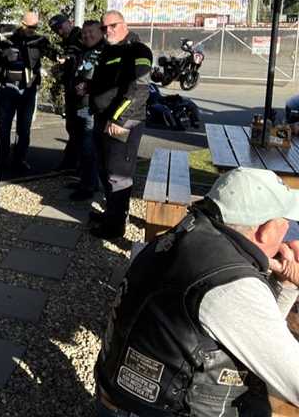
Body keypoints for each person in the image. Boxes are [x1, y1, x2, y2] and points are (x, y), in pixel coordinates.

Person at [95, 168, 299, 416]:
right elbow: (293, 378)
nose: (289, 236)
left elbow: (255, 337)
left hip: (120, 393)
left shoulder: (189, 233)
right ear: (265, 231)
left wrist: (285, 286)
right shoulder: (231, 286)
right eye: (286, 225)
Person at [85, 10, 152, 239]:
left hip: (123, 123)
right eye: (104, 28)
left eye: (112, 26)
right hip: (103, 120)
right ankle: (111, 215)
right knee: (105, 171)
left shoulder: (138, 50)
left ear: (124, 24)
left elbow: (139, 89)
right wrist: (88, 88)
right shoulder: (109, 50)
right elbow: (107, 82)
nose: (108, 31)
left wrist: (119, 119)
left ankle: (114, 228)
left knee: (118, 176)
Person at [0, 11, 52, 174]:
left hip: (28, 89)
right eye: (29, 27)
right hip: (8, 88)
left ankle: (20, 159)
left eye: (35, 27)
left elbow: (53, 55)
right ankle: (1, 160)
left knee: (24, 128)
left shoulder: (40, 40)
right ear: (22, 24)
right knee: (3, 127)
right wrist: (5, 56)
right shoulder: (6, 39)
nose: (32, 30)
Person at [68, 20, 105, 201]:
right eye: (84, 32)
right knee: (82, 146)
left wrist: (88, 86)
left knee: (89, 147)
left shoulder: (103, 51)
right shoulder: (85, 50)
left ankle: (88, 187)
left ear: (101, 32)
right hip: (80, 105)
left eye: (91, 32)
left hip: (91, 107)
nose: (87, 35)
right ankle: (86, 180)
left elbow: (103, 78)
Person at [48, 14, 84, 171]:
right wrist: (61, 69)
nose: (59, 30)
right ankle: (72, 163)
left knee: (80, 128)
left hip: (82, 90)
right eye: (56, 29)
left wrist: (68, 61)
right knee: (72, 127)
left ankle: (76, 165)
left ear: (69, 23)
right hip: (71, 89)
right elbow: (68, 63)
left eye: (60, 26)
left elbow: (81, 59)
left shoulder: (81, 36)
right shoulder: (67, 40)